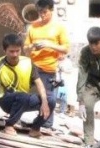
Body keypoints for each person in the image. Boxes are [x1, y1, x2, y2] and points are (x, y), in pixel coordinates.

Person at [0, 33, 56, 138]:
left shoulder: (27, 62)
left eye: (17, 51)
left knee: (51, 99)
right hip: (6, 101)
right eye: (11, 51)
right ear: (4, 51)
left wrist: (44, 102)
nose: (15, 54)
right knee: (23, 96)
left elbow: (39, 83)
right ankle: (9, 125)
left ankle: (35, 129)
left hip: (24, 100)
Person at [24, 0, 70, 129]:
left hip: (47, 68)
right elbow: (25, 49)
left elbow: (66, 48)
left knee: (48, 98)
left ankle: (45, 124)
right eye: (40, 12)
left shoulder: (59, 28)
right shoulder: (33, 27)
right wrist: (32, 46)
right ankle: (19, 115)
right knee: (23, 94)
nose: (42, 15)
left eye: (45, 12)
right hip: (32, 66)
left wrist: (49, 44)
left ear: (52, 10)